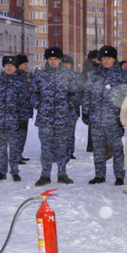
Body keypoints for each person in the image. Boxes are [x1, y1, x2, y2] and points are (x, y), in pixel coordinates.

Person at [31, 47, 81, 186]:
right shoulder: (40, 75)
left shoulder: (69, 75)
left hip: (63, 118)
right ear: (47, 60)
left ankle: (62, 173)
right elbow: (32, 93)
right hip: (45, 119)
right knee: (46, 148)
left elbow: (77, 93)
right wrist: (38, 104)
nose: (53, 61)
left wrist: (68, 105)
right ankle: (45, 175)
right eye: (50, 59)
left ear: (60, 60)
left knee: (62, 147)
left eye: (56, 59)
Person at [82, 45, 127, 185]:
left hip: (114, 120)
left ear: (114, 59)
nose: (106, 60)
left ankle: (119, 175)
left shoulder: (122, 75)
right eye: (104, 58)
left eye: (109, 58)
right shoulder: (95, 75)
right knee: (98, 148)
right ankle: (99, 175)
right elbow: (87, 94)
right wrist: (85, 111)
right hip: (96, 118)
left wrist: (124, 117)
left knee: (117, 148)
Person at [0, 56, 33, 182]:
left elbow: (25, 103)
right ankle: (1, 172)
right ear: (4, 66)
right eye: (7, 65)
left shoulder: (21, 83)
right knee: (1, 149)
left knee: (14, 148)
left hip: (15, 122)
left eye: (12, 66)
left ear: (16, 68)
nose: (9, 67)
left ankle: (15, 171)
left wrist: (24, 119)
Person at [61, 54, 84, 161]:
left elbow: (80, 93)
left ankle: (70, 152)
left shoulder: (77, 76)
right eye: (64, 63)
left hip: (72, 110)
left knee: (70, 133)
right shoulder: (57, 77)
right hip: (59, 111)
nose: (66, 65)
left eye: (68, 63)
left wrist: (71, 103)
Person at [82, 49, 100, 153]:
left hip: (95, 101)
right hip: (92, 101)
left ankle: (93, 145)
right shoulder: (89, 68)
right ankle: (91, 145)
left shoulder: (97, 68)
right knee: (93, 126)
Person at [15, 54, 32, 164]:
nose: (26, 66)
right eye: (24, 64)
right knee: (17, 135)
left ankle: (19, 154)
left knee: (23, 134)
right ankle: (16, 155)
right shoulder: (16, 77)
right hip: (18, 112)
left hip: (25, 111)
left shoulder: (24, 76)